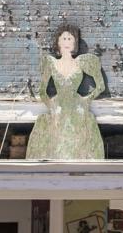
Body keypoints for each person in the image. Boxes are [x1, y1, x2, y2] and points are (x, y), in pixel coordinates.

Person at [26, 24, 106, 159]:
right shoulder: (51, 63)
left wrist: (86, 100)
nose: (67, 42)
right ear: (58, 42)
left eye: (70, 39)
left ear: (75, 43)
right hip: (58, 107)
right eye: (64, 39)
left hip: (77, 107)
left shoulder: (82, 62)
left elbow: (100, 86)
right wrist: (51, 105)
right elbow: (42, 91)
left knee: (80, 141)